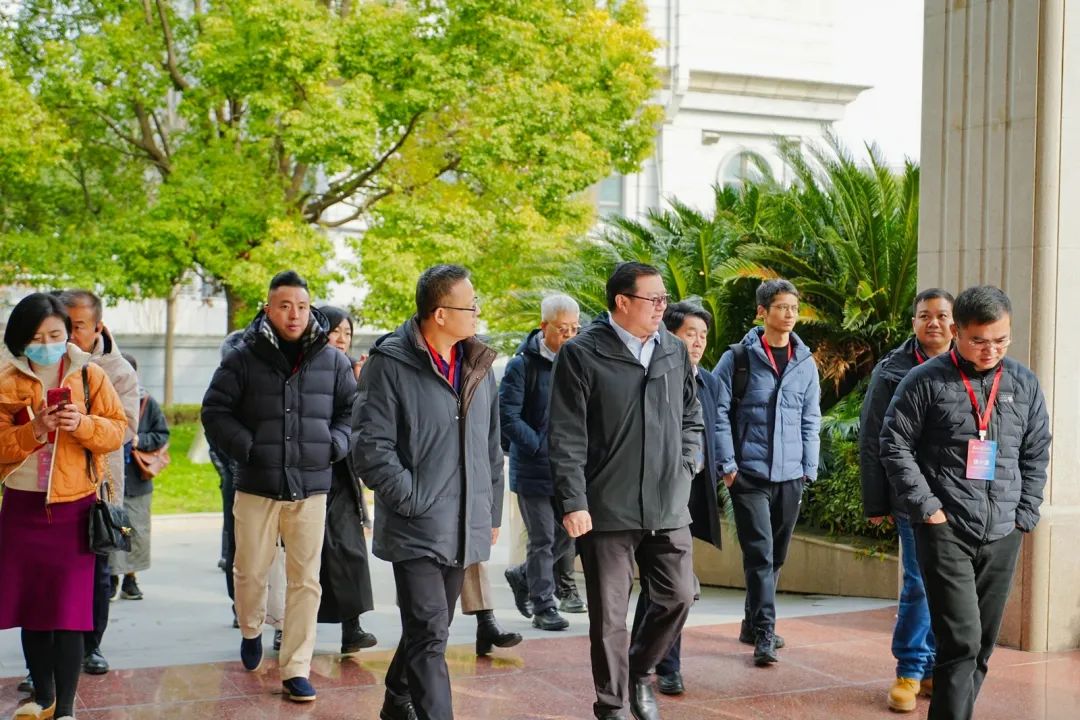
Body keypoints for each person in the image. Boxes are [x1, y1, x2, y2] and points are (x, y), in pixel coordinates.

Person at [880, 285, 1051, 720]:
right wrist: (927, 508)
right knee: (961, 643)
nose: (990, 350)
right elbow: (893, 444)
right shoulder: (925, 380)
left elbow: (1036, 451)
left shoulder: (1024, 384)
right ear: (957, 332)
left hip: (1003, 531)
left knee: (982, 647)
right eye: (979, 340)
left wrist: (1025, 513)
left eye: (1001, 340)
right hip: (946, 530)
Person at [549, 262, 701, 720]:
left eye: (664, 299)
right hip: (606, 506)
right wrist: (573, 501)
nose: (662, 307)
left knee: (678, 595)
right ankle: (612, 705)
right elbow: (566, 435)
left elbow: (692, 416)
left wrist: (687, 464)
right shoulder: (581, 353)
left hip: (667, 501)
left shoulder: (672, 349)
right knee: (610, 616)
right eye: (653, 299)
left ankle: (639, 671)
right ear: (622, 302)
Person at [352, 264, 503, 720]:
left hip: (463, 521)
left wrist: (491, 510)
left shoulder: (478, 366)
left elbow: (491, 446)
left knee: (431, 627)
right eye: (470, 305)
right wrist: (413, 499)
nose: (477, 312)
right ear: (440, 314)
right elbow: (371, 447)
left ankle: (396, 698)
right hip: (415, 525)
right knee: (430, 630)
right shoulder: (389, 364)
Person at [202, 270, 356, 704]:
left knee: (306, 580)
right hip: (257, 485)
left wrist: (334, 444)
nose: (294, 314)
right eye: (285, 306)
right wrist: (248, 448)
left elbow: (352, 411)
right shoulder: (243, 356)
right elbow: (214, 411)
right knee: (250, 569)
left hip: (311, 486)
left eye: (302, 307)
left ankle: (296, 668)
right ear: (269, 309)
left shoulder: (332, 361)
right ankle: (251, 628)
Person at [0, 292, 127, 720]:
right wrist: (35, 430)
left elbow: (117, 430)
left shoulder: (90, 375)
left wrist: (83, 424)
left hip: (75, 507)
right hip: (22, 508)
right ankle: (43, 697)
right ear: (20, 339)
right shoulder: (6, 380)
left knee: (70, 613)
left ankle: (66, 709)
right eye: (37, 337)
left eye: (55, 334)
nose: (48, 344)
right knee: (33, 609)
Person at [713, 278, 821, 667]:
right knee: (760, 554)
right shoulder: (737, 359)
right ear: (762, 312)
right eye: (781, 307)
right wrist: (728, 468)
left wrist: (808, 469)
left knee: (776, 556)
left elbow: (811, 417)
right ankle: (765, 633)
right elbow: (717, 413)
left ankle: (750, 622)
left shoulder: (805, 362)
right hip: (749, 476)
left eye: (794, 308)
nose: (789, 314)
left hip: (790, 476)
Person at [858, 288, 954, 712]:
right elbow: (872, 437)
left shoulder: (971, 366)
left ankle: (932, 667)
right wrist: (875, 502)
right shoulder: (891, 371)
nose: (933, 322)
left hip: (959, 497)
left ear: (955, 322)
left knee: (946, 584)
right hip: (911, 495)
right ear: (913, 322)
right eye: (924, 315)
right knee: (918, 581)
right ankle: (910, 670)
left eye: (942, 315)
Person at [629, 300, 724, 696]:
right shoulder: (651, 374)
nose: (698, 342)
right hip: (653, 496)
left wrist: (721, 467)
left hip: (691, 496)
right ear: (669, 335)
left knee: (672, 587)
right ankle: (656, 663)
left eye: (703, 336)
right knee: (665, 586)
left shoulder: (710, 382)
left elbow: (714, 430)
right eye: (690, 334)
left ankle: (650, 661)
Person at [56, 290, 139, 678]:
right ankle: (43, 656)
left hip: (99, 489)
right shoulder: (42, 365)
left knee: (96, 571)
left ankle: (92, 646)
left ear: (97, 328)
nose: (69, 336)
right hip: (50, 487)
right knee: (50, 572)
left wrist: (81, 425)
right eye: (64, 326)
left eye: (78, 327)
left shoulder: (117, 370)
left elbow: (127, 428)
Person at [501, 293, 581, 632]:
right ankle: (543, 605)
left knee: (575, 532)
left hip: (569, 467)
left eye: (575, 329)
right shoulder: (521, 365)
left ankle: (524, 574)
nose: (569, 335)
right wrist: (539, 446)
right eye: (562, 329)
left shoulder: (578, 361)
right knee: (543, 538)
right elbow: (508, 416)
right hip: (534, 468)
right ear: (543, 326)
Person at [315, 305, 378, 654]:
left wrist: (361, 383)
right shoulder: (307, 367)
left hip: (341, 474)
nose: (342, 338)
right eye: (335, 330)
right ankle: (286, 625)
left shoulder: (352, 370)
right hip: (306, 474)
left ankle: (352, 628)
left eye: (347, 333)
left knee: (348, 549)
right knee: (305, 556)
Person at [108, 353, 170, 602]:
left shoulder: (146, 402)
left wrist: (139, 440)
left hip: (137, 481)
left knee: (136, 531)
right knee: (116, 530)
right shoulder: (103, 400)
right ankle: (112, 577)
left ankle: (130, 578)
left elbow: (162, 434)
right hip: (111, 481)